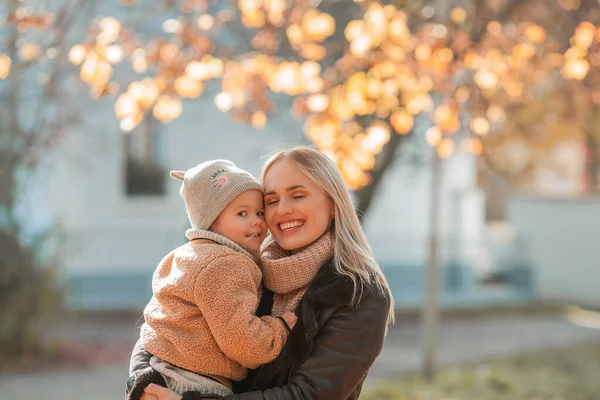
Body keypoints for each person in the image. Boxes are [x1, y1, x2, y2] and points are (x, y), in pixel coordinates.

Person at [130, 146, 395, 400]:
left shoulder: (359, 294)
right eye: (271, 200)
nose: (282, 209)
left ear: (333, 203)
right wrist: (147, 384)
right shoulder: (238, 267)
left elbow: (310, 395)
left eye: (298, 195)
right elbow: (163, 326)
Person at [126, 160, 297, 400]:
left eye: (259, 212)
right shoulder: (225, 265)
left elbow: (154, 322)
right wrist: (279, 328)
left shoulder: (181, 256)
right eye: (242, 213)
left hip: (162, 371)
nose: (257, 221)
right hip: (194, 385)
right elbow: (243, 342)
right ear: (212, 221)